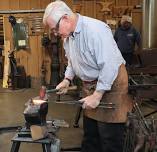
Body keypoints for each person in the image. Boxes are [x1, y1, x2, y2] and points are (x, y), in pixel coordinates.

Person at [43, 1, 133, 152]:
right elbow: (72, 61)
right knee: (90, 136)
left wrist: (98, 95)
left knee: (109, 138)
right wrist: (67, 79)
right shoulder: (68, 37)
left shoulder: (95, 30)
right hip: (90, 86)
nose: (55, 33)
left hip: (111, 85)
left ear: (65, 18)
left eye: (55, 29)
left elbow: (109, 65)